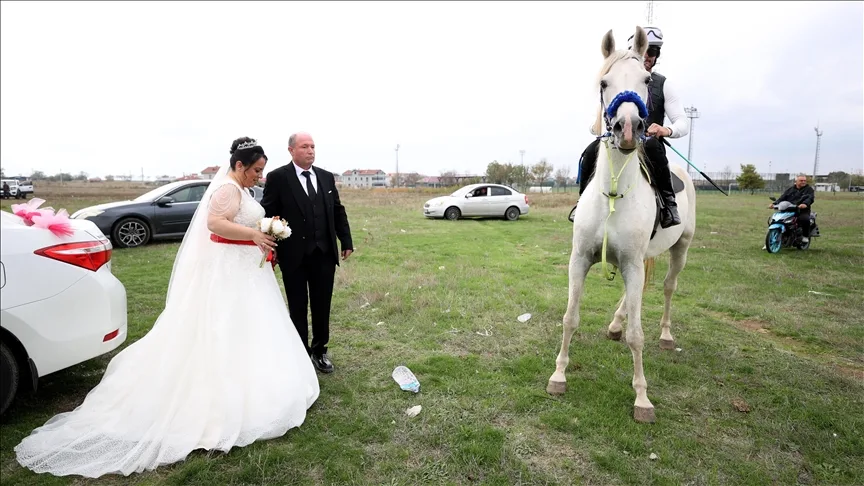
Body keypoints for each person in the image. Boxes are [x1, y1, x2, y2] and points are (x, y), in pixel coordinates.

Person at [14, 137, 320, 478]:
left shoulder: (241, 190)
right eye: (256, 171)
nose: (259, 177)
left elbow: (236, 223)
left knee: (252, 326)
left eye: (261, 172)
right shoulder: (227, 190)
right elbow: (215, 225)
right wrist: (252, 235)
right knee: (224, 324)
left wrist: (262, 230)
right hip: (229, 272)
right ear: (239, 166)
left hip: (244, 270)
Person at [575, 26, 689, 228]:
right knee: (591, 151)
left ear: (657, 55)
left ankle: (669, 205)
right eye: (644, 51)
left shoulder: (664, 84)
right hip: (616, 140)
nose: (647, 56)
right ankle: (581, 204)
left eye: (652, 52)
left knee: (654, 148)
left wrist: (666, 130)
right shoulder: (619, 79)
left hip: (646, 142)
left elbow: (682, 121)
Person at [261, 132, 353, 374]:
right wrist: (272, 238)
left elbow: (337, 210)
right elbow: (268, 213)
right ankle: (300, 352)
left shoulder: (325, 177)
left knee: (322, 304)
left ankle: (320, 350)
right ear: (291, 150)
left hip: (324, 254)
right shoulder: (278, 177)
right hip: (294, 256)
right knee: (298, 306)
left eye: (313, 146)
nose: (310, 150)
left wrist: (346, 240)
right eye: (304, 146)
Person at [770, 174, 815, 243]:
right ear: (796, 181)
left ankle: (805, 236)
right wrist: (774, 204)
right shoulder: (790, 189)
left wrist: (805, 204)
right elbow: (782, 198)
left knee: (804, 219)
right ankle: (771, 238)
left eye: (804, 181)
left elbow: (810, 198)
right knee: (775, 219)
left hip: (802, 210)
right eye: (801, 180)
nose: (803, 182)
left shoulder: (809, 189)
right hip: (788, 209)